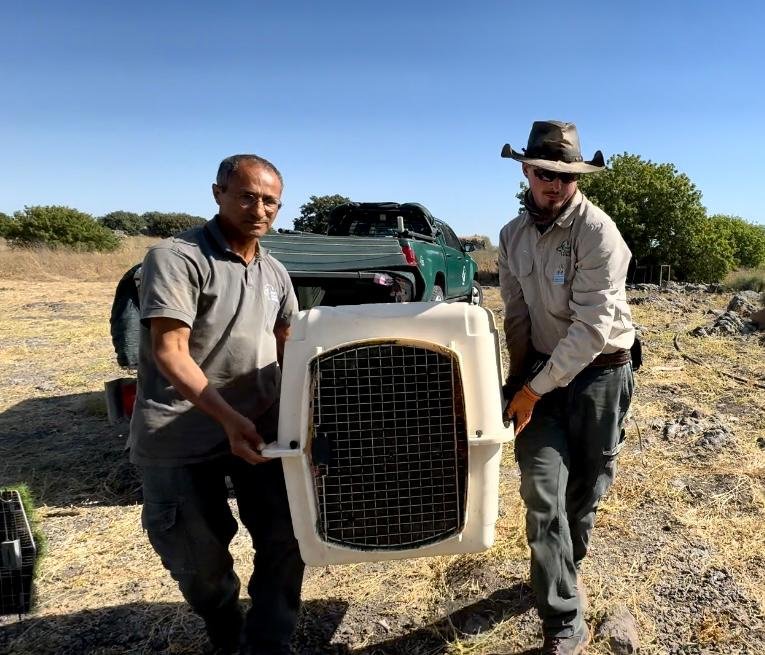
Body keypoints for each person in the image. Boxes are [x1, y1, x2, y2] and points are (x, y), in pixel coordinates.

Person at [129, 154, 304, 655]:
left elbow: (290, 342)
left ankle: (269, 641)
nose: (260, 209)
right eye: (247, 195)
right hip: (179, 435)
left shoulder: (274, 271)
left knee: (285, 540)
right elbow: (169, 351)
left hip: (260, 432)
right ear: (218, 193)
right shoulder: (177, 257)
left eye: (270, 201)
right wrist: (228, 417)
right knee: (197, 558)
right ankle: (224, 625)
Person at [498, 121, 635, 654]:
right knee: (541, 491)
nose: (553, 184)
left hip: (602, 370)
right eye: (544, 173)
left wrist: (532, 389)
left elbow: (591, 328)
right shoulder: (510, 236)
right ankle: (563, 621)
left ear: (577, 177)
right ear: (527, 172)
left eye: (564, 175)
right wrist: (518, 380)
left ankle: (564, 565)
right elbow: (515, 312)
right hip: (541, 377)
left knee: (589, 484)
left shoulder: (598, 232)